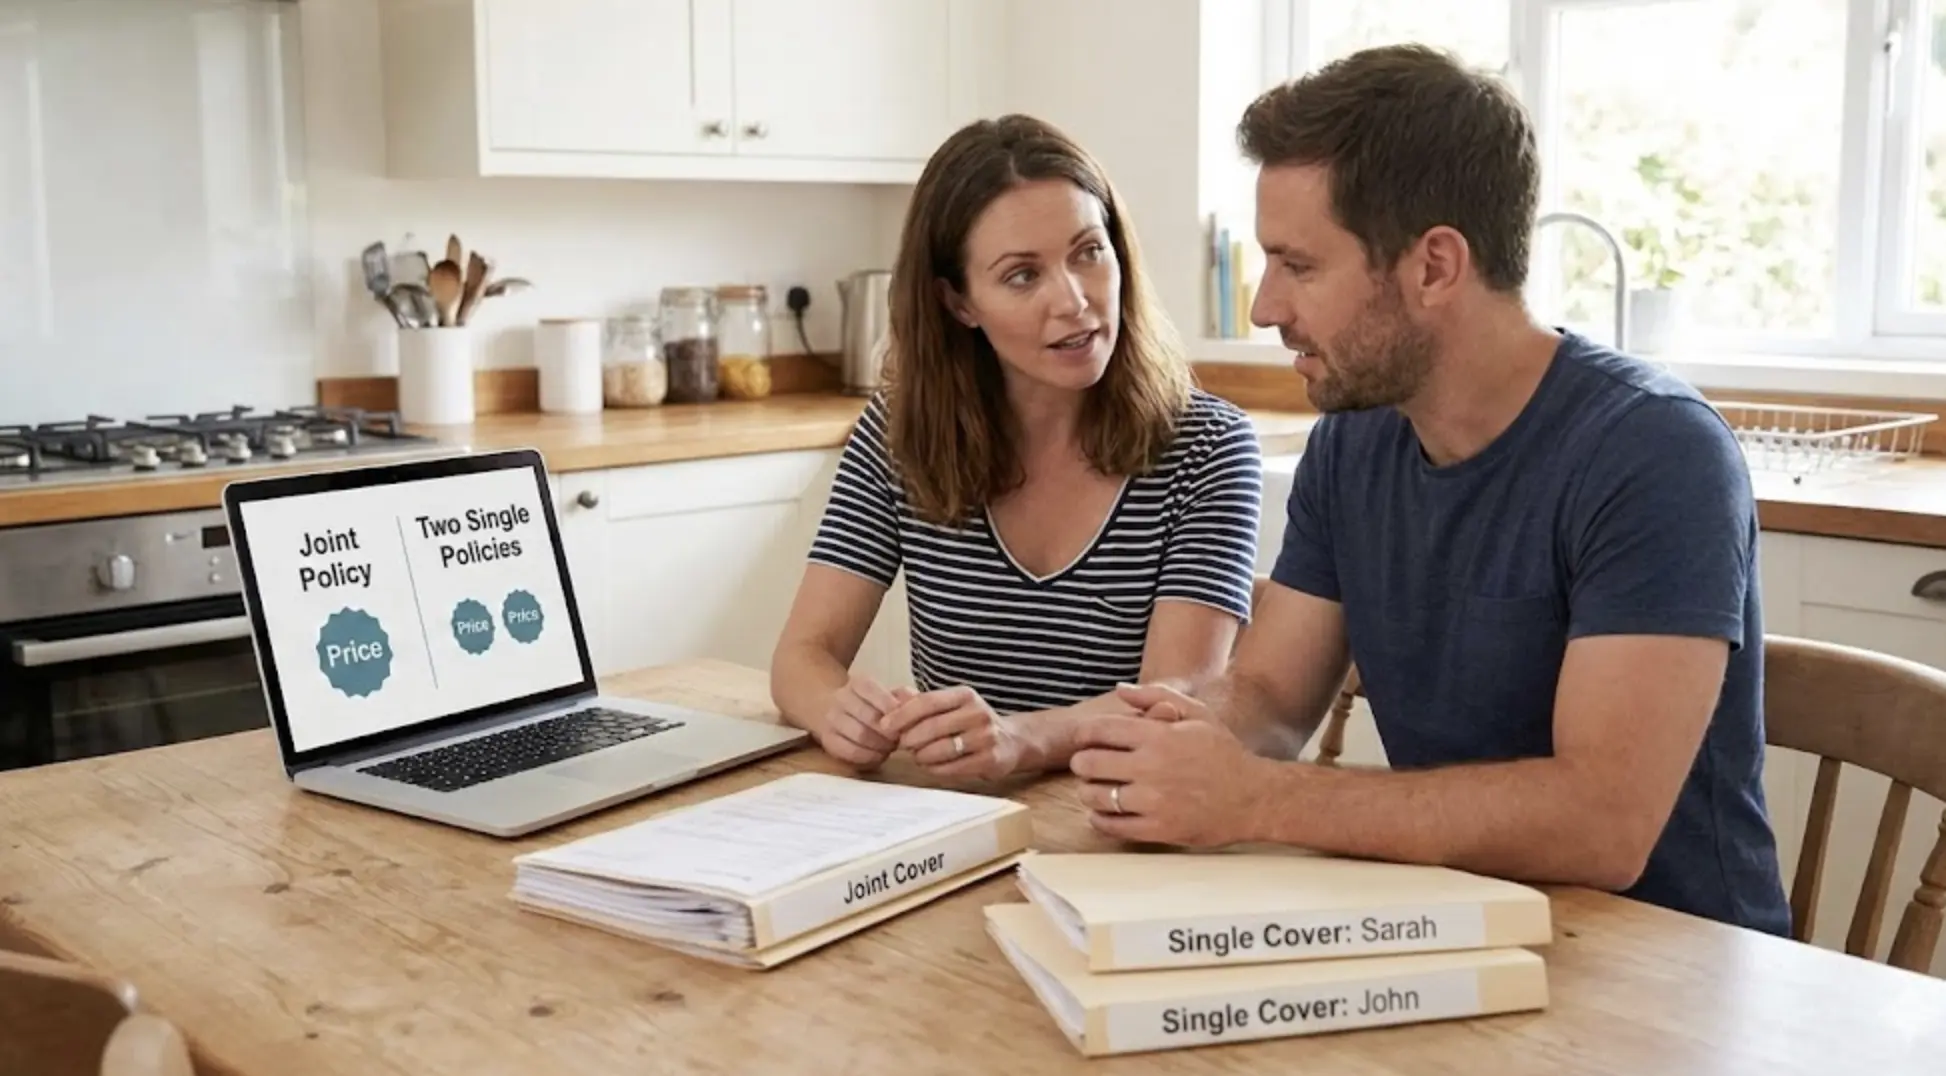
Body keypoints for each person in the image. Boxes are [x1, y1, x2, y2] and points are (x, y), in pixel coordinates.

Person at [1070, 44, 1792, 936]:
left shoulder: (1655, 453)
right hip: (1450, 928)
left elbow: (1601, 826)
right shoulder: (1355, 438)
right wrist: (1175, 733)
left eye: (1298, 266)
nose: (1265, 308)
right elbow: (1271, 698)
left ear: (1435, 267)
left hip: (1671, 966)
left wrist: (1259, 799)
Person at [769, 114, 1265, 783]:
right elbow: (803, 657)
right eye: (1023, 275)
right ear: (959, 303)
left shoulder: (1210, 446)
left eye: (1089, 252)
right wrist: (837, 710)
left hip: (1125, 811)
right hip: (957, 808)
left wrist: (1022, 739)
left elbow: (1174, 699)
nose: (1074, 300)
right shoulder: (899, 433)